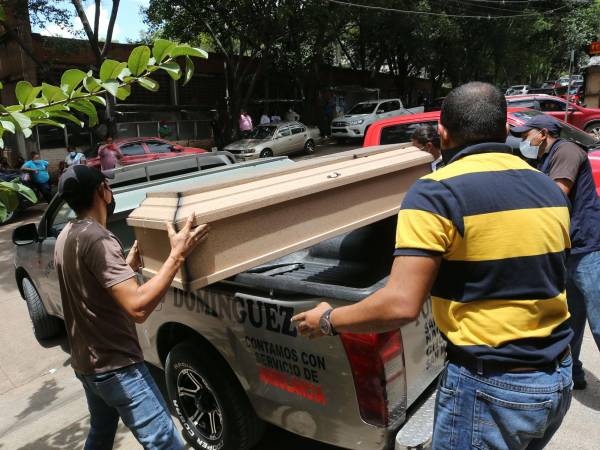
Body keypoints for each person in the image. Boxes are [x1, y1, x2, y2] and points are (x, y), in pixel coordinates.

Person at [292, 82, 573, 450]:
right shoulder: (548, 188)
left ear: (441, 132)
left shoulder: (436, 192)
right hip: (557, 379)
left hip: (491, 389)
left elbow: (400, 304)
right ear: (505, 130)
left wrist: (327, 320)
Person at [55, 165, 209, 449]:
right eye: (107, 186)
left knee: (100, 434)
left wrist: (126, 267)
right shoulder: (98, 239)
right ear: (102, 191)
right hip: (116, 367)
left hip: (87, 365)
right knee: (164, 441)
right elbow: (137, 308)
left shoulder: (68, 234)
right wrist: (177, 255)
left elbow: (94, 292)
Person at [513, 114, 600, 390]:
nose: (524, 140)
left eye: (527, 135)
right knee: (571, 320)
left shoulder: (566, 151)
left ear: (542, 133)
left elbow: (557, 192)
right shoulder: (543, 157)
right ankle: (573, 371)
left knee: (598, 321)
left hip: (588, 247)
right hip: (569, 249)